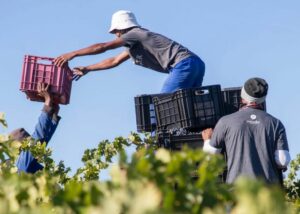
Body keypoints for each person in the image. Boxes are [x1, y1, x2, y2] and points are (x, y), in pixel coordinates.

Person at [54, 10, 205, 93]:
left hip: (183, 64)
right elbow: (114, 60)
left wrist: (73, 53)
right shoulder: (135, 42)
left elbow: (103, 46)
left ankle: (156, 141)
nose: (116, 35)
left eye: (115, 32)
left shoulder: (134, 34)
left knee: (164, 104)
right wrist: (88, 68)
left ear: (121, 29)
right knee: (189, 103)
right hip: (196, 64)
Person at [202, 77, 291, 184]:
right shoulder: (276, 123)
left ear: (242, 97)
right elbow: (283, 161)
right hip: (267, 193)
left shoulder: (225, 122)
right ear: (263, 98)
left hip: (238, 190)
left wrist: (207, 140)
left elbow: (209, 157)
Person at [10, 83, 60, 173]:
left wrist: (53, 111)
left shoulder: (26, 163)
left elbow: (43, 138)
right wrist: (48, 101)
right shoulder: (21, 163)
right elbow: (39, 137)